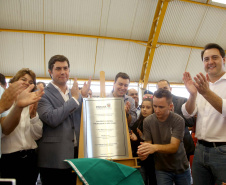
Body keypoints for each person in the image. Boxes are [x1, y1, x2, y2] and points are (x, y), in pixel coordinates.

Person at [37, 55, 91, 185]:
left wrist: (83, 98)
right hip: (53, 159)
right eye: (58, 68)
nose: (63, 72)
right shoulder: (43, 93)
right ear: (50, 72)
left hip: (77, 155)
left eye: (65, 68)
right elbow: (51, 118)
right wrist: (75, 99)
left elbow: (83, 119)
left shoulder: (74, 93)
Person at [182, 43, 226, 185]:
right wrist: (193, 95)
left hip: (223, 151)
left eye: (215, 58)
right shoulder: (201, 84)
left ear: (223, 59)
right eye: (206, 59)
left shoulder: (205, 88)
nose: (210, 62)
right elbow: (188, 113)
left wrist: (206, 93)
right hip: (200, 149)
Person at [138, 89, 190, 185]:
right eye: (155, 106)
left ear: (170, 106)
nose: (157, 110)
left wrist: (154, 147)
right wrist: (143, 152)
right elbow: (148, 145)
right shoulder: (148, 121)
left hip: (181, 167)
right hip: (161, 169)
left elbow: (174, 147)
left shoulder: (178, 120)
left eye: (161, 107)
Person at [1, 68, 44, 185]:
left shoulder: (32, 105)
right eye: (23, 79)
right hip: (9, 159)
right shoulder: (5, 104)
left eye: (31, 82)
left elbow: (37, 135)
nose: (27, 83)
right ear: (14, 82)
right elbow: (4, 132)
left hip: (30, 158)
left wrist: (33, 114)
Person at [156, 80, 195, 161]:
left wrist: (173, 115)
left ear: (170, 88)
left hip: (183, 145)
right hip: (164, 145)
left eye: (165, 88)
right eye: (160, 89)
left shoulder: (183, 101)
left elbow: (191, 122)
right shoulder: (156, 105)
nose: (163, 91)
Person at [130, 98, 157, 185]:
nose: (144, 109)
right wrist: (136, 139)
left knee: (153, 180)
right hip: (140, 159)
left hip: (154, 160)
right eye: (143, 107)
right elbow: (134, 147)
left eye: (148, 107)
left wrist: (143, 137)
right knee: (142, 181)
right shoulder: (137, 123)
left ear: (153, 109)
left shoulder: (156, 123)